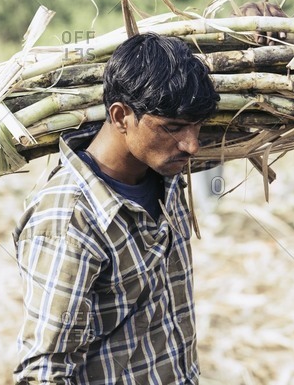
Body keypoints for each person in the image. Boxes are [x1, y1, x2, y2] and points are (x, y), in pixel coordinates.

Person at [12, 32, 220, 384]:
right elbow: (44, 370)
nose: (193, 145)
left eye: (198, 127)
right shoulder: (70, 218)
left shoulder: (165, 172)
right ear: (121, 116)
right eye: (173, 127)